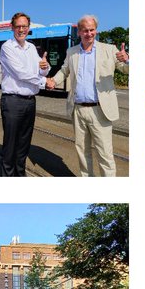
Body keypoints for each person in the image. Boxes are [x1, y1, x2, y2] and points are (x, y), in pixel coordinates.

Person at [50, 15, 129, 177]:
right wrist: (52, 81)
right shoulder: (72, 52)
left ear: (96, 30)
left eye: (92, 30)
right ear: (79, 32)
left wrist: (127, 60)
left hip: (100, 110)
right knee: (82, 151)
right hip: (78, 109)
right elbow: (64, 71)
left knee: (105, 153)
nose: (89, 33)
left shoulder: (110, 49)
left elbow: (126, 70)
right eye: (85, 30)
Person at [0, 12, 49, 177]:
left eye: (24, 26)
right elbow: (21, 73)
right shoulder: (7, 47)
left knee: (24, 144)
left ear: (29, 28)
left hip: (29, 101)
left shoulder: (31, 47)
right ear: (12, 27)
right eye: (18, 26)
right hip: (12, 102)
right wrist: (44, 82)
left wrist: (45, 67)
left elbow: (40, 70)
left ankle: (20, 175)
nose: (21, 29)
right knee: (11, 144)